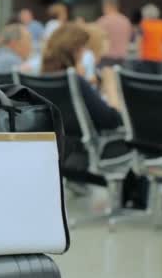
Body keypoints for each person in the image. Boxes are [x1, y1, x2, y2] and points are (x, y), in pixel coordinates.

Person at [42, 23, 123, 185]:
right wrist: (111, 86)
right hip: (87, 151)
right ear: (75, 50)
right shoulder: (75, 81)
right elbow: (112, 120)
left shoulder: (44, 78)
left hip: (58, 151)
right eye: (83, 49)